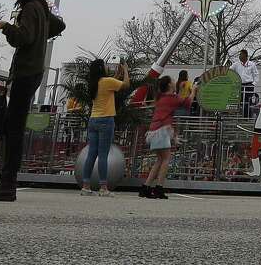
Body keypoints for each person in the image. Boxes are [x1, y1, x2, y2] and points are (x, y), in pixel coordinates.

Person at [0, 0, 54, 202]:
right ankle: (7, 182)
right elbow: (58, 24)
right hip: (34, 72)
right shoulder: (41, 9)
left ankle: (7, 183)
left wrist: (5, 26)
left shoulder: (30, 9)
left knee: (12, 129)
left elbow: (23, 38)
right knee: (14, 126)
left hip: (24, 72)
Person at [80, 58, 130, 196]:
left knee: (91, 154)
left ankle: (85, 186)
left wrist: (117, 75)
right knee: (103, 155)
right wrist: (125, 70)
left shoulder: (94, 83)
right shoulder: (107, 82)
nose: (108, 67)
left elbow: (110, 85)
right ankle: (103, 187)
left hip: (93, 120)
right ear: (102, 68)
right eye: (105, 65)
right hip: (106, 120)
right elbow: (126, 85)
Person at [142, 75, 188, 199]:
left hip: (153, 130)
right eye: (173, 81)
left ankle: (146, 187)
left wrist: (179, 89)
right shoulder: (171, 98)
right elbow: (186, 103)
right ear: (169, 84)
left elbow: (175, 99)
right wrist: (193, 90)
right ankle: (159, 188)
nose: (174, 82)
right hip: (162, 130)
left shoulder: (161, 97)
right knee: (166, 159)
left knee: (159, 159)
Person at [231, 49, 259, 119]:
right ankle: (238, 117)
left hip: (249, 85)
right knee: (238, 100)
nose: (239, 56)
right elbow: (229, 70)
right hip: (239, 85)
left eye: (241, 54)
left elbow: (256, 74)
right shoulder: (236, 64)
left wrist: (254, 84)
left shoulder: (252, 64)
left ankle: (246, 117)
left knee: (248, 101)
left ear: (245, 55)